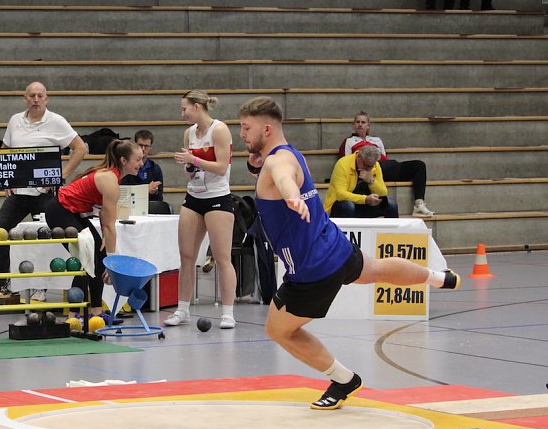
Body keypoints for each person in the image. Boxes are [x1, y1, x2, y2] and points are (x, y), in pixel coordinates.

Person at [240, 96, 460, 410]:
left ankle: (344, 379)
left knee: (279, 329)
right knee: (376, 269)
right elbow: (271, 171)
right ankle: (440, 277)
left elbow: (283, 179)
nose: (242, 134)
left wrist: (292, 198)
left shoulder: (278, 162)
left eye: (246, 128)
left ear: (266, 128)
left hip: (311, 269)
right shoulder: (290, 152)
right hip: (335, 246)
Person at [0, 81, 87, 295]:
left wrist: (62, 175)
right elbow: (5, 150)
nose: (35, 99)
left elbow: (81, 148)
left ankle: (57, 284)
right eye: (31, 96)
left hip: (44, 194)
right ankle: (0, 284)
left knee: (52, 236)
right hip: (19, 193)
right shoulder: (15, 120)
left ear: (46, 98)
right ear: (25, 98)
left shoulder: (56, 121)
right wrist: (6, 178)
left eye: (40, 96)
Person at [45, 139, 143, 321]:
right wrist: (113, 263)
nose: (141, 164)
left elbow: (105, 217)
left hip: (73, 212)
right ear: (123, 161)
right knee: (85, 257)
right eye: (138, 159)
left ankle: (96, 310)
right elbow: (111, 226)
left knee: (98, 252)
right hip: (59, 210)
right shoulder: (110, 180)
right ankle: (73, 315)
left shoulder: (113, 177)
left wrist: (107, 248)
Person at [163, 89, 237, 329]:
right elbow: (191, 168)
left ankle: (228, 312)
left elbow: (222, 166)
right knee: (186, 256)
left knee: (223, 257)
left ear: (197, 106)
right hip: (194, 196)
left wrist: (194, 161)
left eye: (185, 108)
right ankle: (182, 308)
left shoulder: (220, 129)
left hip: (217, 197)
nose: (182, 113)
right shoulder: (189, 134)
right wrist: (189, 167)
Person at [341, 111, 434, 217]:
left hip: (382, 166)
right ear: (353, 125)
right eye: (357, 122)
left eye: (363, 122)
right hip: (366, 167)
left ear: (368, 125)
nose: (360, 124)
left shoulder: (376, 140)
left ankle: (419, 204)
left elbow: (383, 157)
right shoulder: (349, 141)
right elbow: (348, 160)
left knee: (419, 165)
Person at [325, 144, 398, 218]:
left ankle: (391, 230)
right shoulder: (343, 164)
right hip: (341, 204)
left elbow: (383, 192)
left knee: (391, 204)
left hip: (364, 204)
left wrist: (371, 181)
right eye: (366, 165)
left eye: (371, 166)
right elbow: (340, 195)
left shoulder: (375, 166)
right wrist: (365, 199)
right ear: (359, 157)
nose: (369, 169)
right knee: (348, 206)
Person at [120, 130, 164, 201]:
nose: (143, 149)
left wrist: (154, 192)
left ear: (150, 147)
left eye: (146, 146)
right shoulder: (126, 166)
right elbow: (123, 192)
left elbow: (159, 198)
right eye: (140, 145)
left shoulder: (155, 168)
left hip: (149, 206)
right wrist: (146, 190)